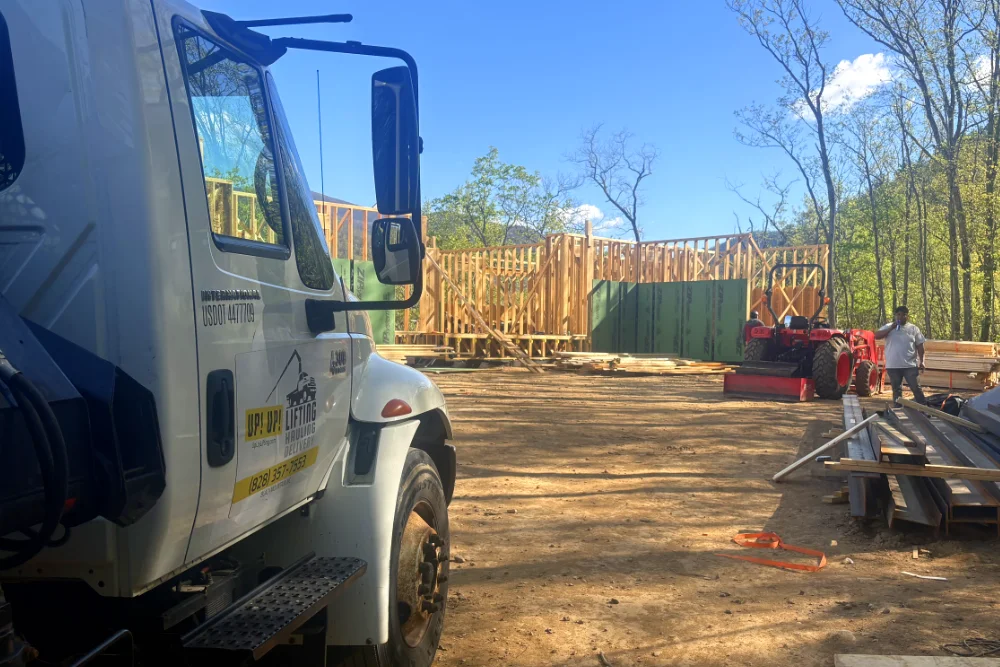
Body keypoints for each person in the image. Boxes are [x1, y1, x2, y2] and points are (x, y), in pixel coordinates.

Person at [874, 305, 927, 405]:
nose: (900, 317)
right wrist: (891, 328)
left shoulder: (913, 329)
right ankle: (898, 409)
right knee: (896, 390)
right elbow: (876, 336)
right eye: (898, 315)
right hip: (893, 365)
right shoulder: (889, 326)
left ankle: (924, 408)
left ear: (907, 316)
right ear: (895, 316)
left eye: (903, 315)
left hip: (910, 366)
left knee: (916, 387)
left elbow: (920, 346)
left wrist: (922, 361)